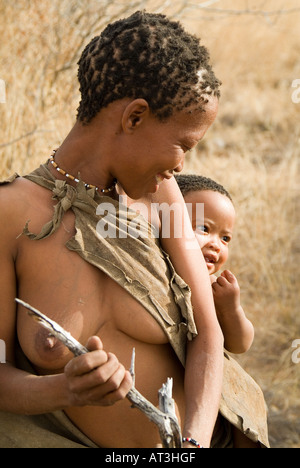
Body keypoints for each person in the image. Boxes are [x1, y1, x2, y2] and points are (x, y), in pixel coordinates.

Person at [0, 11, 269, 448]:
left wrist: (194, 446)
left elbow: (208, 334)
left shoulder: (160, 196)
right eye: (184, 144)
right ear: (135, 117)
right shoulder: (10, 218)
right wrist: (65, 389)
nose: (182, 166)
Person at [176, 174, 254, 354]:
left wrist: (231, 309)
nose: (216, 245)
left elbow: (240, 345)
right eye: (204, 229)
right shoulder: (154, 266)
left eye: (225, 238)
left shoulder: (212, 288)